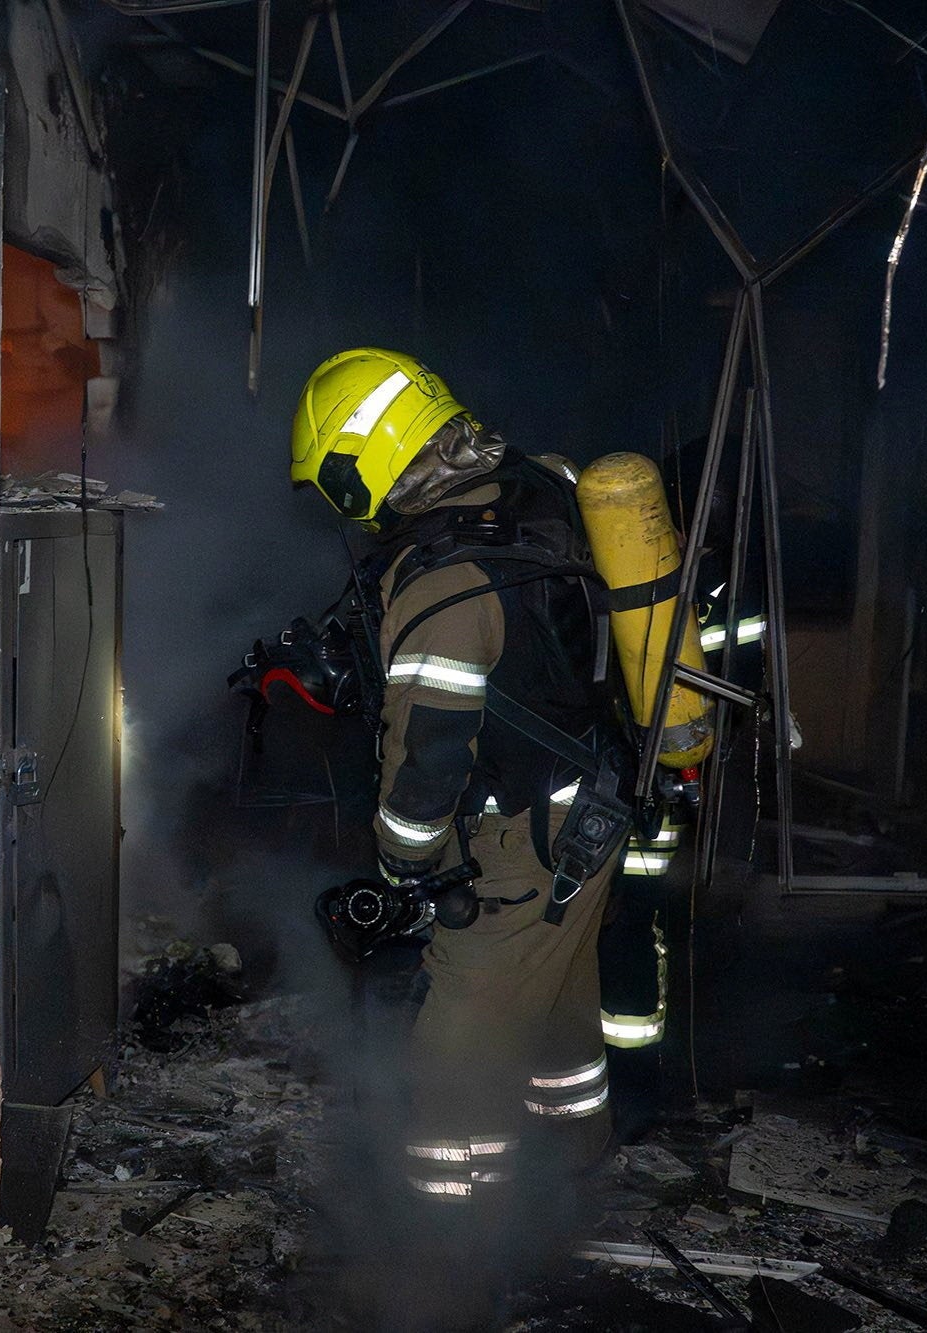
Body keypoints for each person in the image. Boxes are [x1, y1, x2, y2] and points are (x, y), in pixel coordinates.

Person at [292, 348, 632, 1324]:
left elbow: (424, 769)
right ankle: (571, 1177)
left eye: (336, 483)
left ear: (362, 466)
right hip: (593, 808)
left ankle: (438, 1278)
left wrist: (412, 870)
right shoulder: (538, 490)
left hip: (523, 844)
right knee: (561, 1008)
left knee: (454, 1060)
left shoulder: (436, 587)